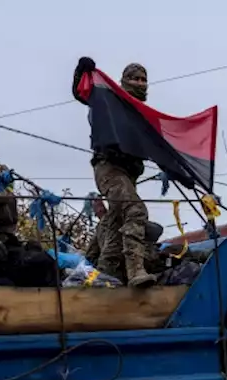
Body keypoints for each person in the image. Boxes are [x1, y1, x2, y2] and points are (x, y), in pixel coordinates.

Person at [72, 58, 154, 288]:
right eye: (133, 78)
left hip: (129, 174)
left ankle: (96, 272)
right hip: (109, 168)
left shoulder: (143, 114)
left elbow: (157, 144)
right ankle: (136, 270)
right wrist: (81, 72)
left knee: (115, 224)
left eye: (143, 79)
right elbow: (83, 93)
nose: (139, 83)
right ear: (123, 81)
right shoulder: (110, 100)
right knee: (135, 210)